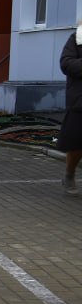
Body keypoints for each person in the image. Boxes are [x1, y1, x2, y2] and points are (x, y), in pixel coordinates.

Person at [60, 20, 82, 195]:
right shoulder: (76, 38)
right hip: (79, 101)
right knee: (76, 143)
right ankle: (69, 172)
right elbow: (66, 63)